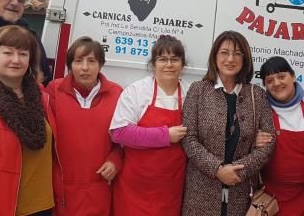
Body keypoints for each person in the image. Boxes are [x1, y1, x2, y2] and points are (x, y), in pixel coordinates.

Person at [0, 25, 57, 216]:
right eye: (7, 52)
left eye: (23, 54)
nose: (16, 60)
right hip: (4, 210)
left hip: (44, 207)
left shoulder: (42, 98)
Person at [181, 30, 276, 216]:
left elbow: (268, 142)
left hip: (242, 192)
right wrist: (217, 170)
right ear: (214, 56)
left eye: (237, 53)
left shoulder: (256, 94)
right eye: (224, 52)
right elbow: (189, 138)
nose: (230, 59)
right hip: (201, 190)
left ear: (245, 59)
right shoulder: (198, 90)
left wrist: (238, 172)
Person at [109, 35, 189, 216]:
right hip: (134, 188)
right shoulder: (137, 91)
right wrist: (165, 135)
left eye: (174, 59)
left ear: (182, 65)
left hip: (171, 189)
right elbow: (119, 133)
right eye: (162, 59)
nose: (169, 64)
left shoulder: (190, 94)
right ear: (153, 64)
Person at [45, 37, 123, 216]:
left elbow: (123, 140)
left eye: (92, 61)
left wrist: (115, 161)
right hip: (61, 186)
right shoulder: (53, 91)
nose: (85, 67)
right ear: (70, 65)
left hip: (100, 186)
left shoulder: (117, 93)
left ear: (101, 65)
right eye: (78, 61)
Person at [254, 56, 304, 216]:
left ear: (293, 76)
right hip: (269, 198)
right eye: (269, 80)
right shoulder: (261, 109)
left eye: (282, 76)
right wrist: (254, 142)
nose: (276, 83)